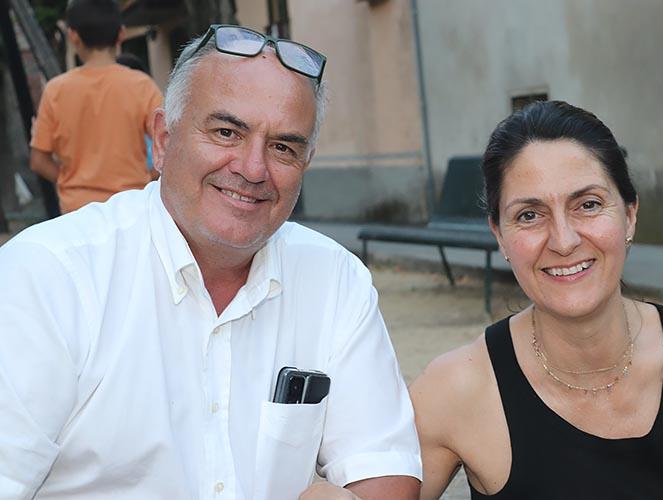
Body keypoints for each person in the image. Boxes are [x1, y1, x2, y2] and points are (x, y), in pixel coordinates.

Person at [0, 24, 421, 499]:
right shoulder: (46, 277)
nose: (253, 168)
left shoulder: (335, 279)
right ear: (163, 140)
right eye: (226, 132)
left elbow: (382, 468)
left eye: (283, 147)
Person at [410, 100, 663, 499]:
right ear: (499, 235)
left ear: (630, 215)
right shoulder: (457, 389)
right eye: (529, 215)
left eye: (588, 205)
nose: (564, 240)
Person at [29, 0, 162, 213]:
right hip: (131, 206)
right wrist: (147, 178)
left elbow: (38, 161)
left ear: (73, 36)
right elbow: (170, 146)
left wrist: (68, 180)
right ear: (121, 34)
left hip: (77, 211)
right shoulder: (142, 86)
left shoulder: (56, 90)